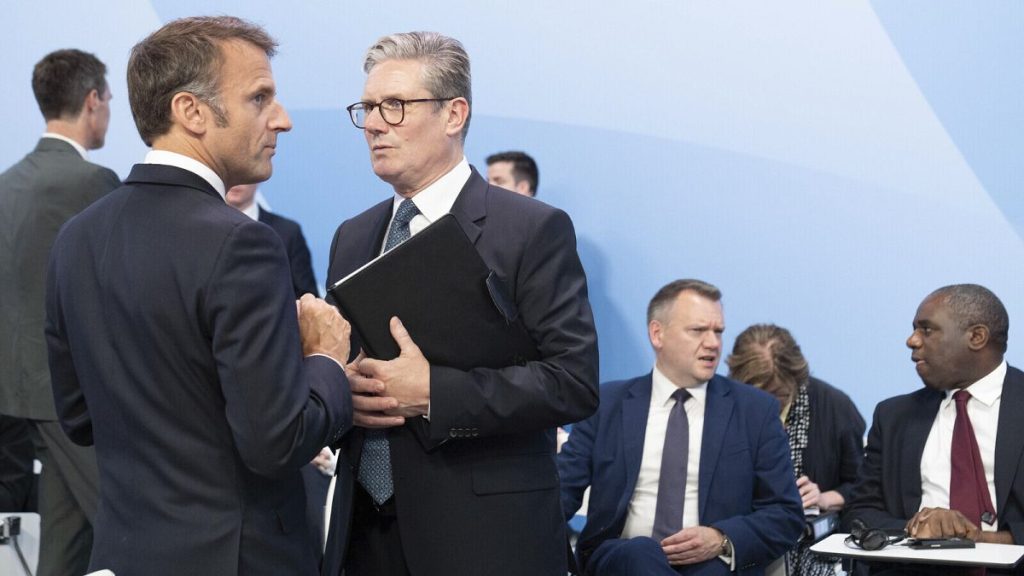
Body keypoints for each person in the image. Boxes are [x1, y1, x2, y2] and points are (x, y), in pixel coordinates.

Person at [44, 16, 353, 576]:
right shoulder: (242, 243)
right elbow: (277, 442)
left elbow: (78, 417)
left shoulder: (76, 238)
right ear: (191, 111)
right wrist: (326, 360)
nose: (282, 119)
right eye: (259, 97)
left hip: (125, 555)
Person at [322, 31, 599, 576]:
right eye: (368, 108)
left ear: (454, 114)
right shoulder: (351, 236)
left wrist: (433, 392)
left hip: (483, 538)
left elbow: (574, 381)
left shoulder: (530, 230)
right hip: (363, 537)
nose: (374, 123)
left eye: (395, 106)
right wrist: (341, 390)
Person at [558, 279, 804, 575]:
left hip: (712, 564)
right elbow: (560, 494)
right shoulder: (608, 404)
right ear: (657, 334)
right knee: (640, 552)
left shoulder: (755, 411)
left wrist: (721, 539)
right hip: (625, 559)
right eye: (698, 330)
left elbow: (786, 514)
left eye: (718, 331)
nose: (713, 343)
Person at [0, 48, 119, 576]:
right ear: (92, 101)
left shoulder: (7, 184)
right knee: (127, 529)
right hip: (70, 396)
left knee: (65, 538)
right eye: (109, 99)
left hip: (16, 393)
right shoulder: (93, 183)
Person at [843, 284, 1024, 575]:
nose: (911, 341)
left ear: (976, 337)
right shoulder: (893, 416)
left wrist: (982, 540)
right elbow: (859, 513)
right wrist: (920, 527)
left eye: (926, 330)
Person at [727, 324, 865, 576]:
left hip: (815, 545)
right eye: (758, 394)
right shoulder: (723, 407)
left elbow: (863, 486)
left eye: (778, 394)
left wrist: (824, 498)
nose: (768, 404)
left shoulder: (835, 407)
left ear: (796, 379)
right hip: (745, 540)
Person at [226, 183, 318, 297]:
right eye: (231, 174)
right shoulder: (205, 227)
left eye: (242, 174)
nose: (236, 182)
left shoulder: (287, 232)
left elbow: (307, 297)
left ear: (258, 178)